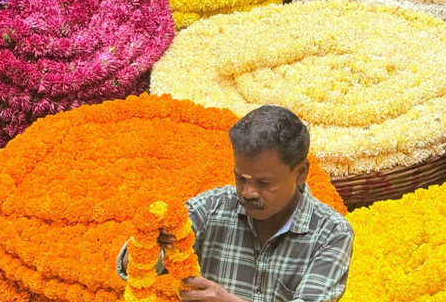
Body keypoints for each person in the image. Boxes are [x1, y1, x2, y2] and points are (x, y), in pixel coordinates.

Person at [116, 105, 354, 302]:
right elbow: (137, 268)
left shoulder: (331, 232)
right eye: (241, 178)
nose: (248, 192)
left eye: (264, 182)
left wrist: (226, 300)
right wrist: (148, 242)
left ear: (300, 172)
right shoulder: (212, 207)